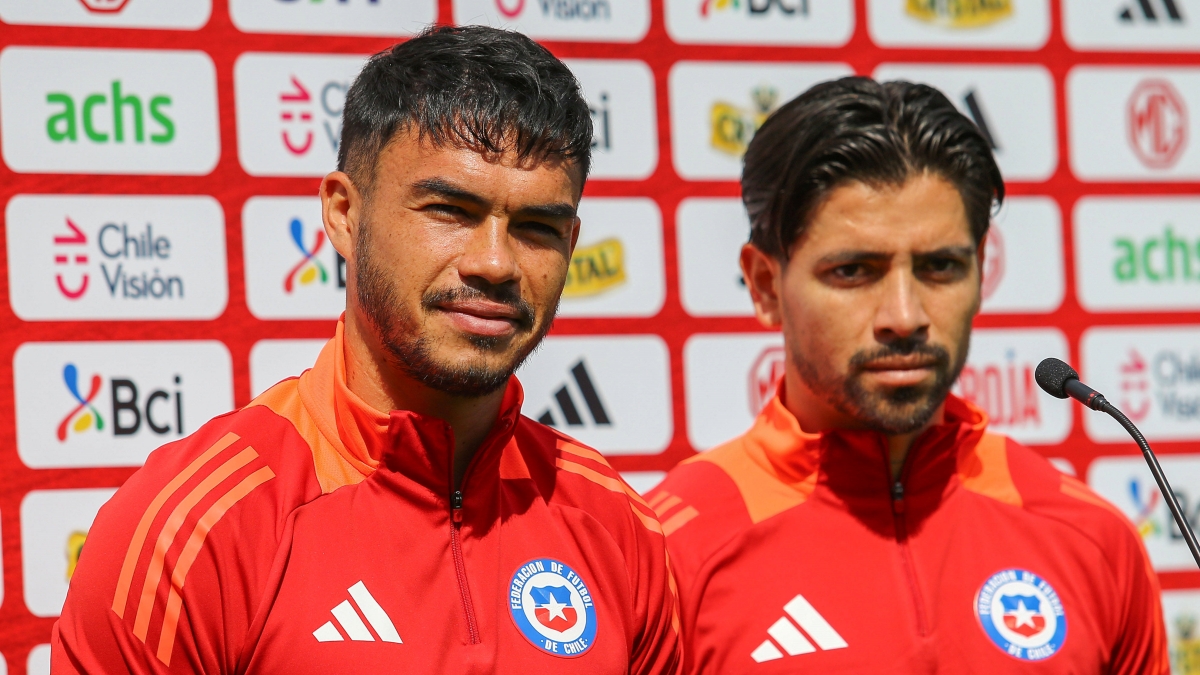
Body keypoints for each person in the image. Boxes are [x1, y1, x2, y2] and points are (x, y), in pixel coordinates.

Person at [53, 26, 681, 675]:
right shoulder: (190, 531)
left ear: (572, 242)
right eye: (450, 210)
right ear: (344, 213)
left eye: (536, 227)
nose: (495, 262)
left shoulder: (620, 526)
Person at [648, 77, 1167, 674]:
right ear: (765, 284)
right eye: (853, 271)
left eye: (941, 266)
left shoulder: (1092, 538)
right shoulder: (667, 551)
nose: (905, 317)